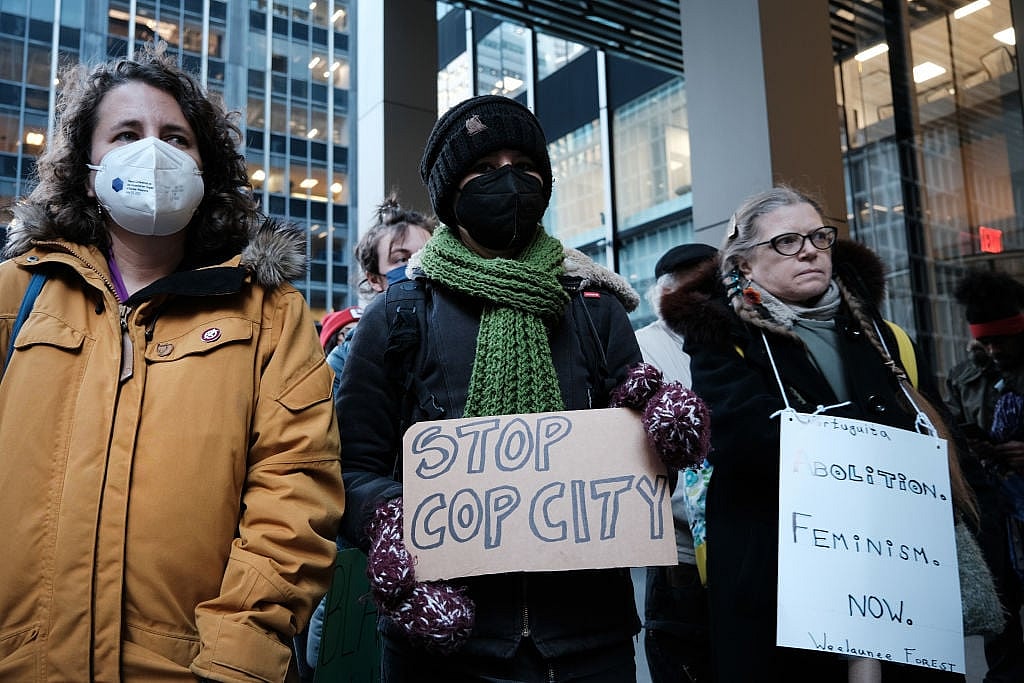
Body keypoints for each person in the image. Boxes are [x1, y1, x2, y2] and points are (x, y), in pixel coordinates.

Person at [0, 44, 344, 682]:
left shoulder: (271, 314)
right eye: (127, 135)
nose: (153, 152)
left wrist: (236, 659)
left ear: (204, 169)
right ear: (88, 169)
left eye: (176, 138)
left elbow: (294, 491)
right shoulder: (14, 294)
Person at [336, 94, 704, 681]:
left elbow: (639, 444)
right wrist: (390, 526)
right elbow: (352, 465)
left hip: (590, 641)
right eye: (484, 169)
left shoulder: (595, 309)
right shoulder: (399, 315)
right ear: (450, 192)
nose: (508, 181)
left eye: (525, 167)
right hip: (447, 648)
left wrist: (664, 419)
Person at [661, 185, 977, 682]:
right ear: (744, 265)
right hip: (781, 586)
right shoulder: (721, 337)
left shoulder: (884, 336)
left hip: (895, 574)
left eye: (818, 237)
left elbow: (933, 436)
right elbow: (743, 437)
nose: (809, 251)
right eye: (786, 242)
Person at [634, 243, 717, 683]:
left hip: (744, 542)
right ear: (664, 295)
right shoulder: (641, 348)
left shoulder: (737, 342)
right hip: (679, 555)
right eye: (692, 289)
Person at [946, 268, 1024, 683]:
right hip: (992, 506)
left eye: (1003, 340)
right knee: (1001, 602)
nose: (994, 350)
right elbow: (952, 429)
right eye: (986, 341)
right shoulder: (965, 376)